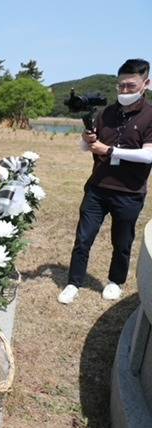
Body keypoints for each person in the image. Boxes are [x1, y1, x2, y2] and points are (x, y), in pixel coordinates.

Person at [58, 58, 152, 304]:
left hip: (130, 192)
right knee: (83, 239)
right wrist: (86, 138)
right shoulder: (106, 113)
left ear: (146, 84)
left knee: (122, 242)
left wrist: (109, 151)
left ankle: (115, 282)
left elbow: (148, 154)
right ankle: (73, 282)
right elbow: (84, 148)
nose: (124, 91)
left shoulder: (150, 116)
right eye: (120, 85)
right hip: (97, 188)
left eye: (130, 86)